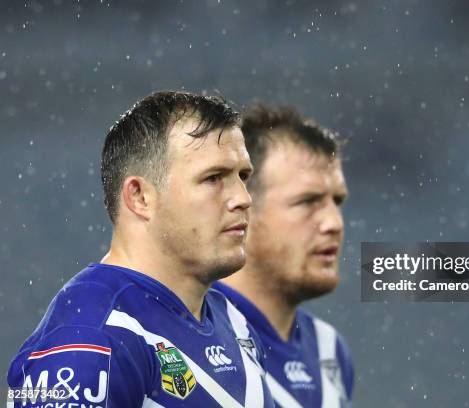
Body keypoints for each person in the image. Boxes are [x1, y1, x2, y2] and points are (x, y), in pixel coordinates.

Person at [7, 91, 274, 407]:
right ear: (139, 197)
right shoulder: (90, 338)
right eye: (214, 178)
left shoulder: (233, 321)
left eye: (243, 176)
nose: (243, 198)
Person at [214, 103, 354, 407]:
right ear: (243, 207)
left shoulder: (328, 352)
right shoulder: (188, 331)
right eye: (308, 201)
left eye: (337, 201)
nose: (334, 223)